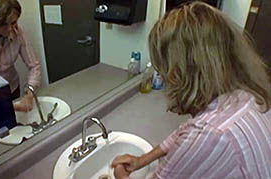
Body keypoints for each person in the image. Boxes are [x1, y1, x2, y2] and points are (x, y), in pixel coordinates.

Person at [112, 1, 271, 179]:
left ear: (179, 72)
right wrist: (142, 160)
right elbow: (183, 133)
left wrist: (119, 175)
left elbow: (197, 136)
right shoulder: (248, 96)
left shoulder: (212, 133)